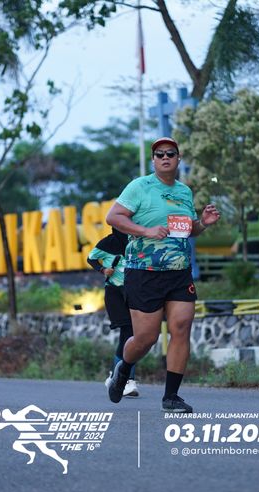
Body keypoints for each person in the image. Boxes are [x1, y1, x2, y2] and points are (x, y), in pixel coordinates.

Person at [105, 137, 220, 413]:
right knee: (146, 338)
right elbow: (114, 217)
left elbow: (186, 229)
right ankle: (124, 368)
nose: (165, 157)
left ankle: (171, 397)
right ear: (154, 160)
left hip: (179, 272)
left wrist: (202, 223)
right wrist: (145, 231)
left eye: (170, 153)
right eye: (159, 154)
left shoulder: (184, 191)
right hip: (144, 272)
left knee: (181, 327)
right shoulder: (139, 186)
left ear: (178, 159)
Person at [87, 228, 139, 398]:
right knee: (128, 332)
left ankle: (115, 375)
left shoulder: (136, 242)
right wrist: (103, 270)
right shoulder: (107, 243)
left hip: (133, 292)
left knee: (135, 335)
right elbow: (91, 258)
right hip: (114, 293)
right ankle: (127, 379)